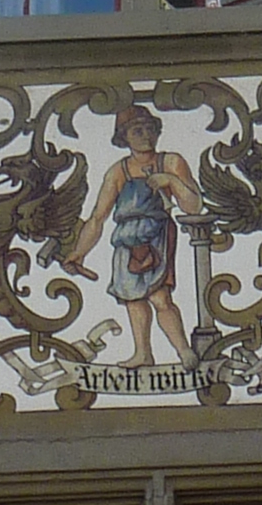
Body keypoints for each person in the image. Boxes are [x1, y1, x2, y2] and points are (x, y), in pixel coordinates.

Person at [68, 105, 203, 368]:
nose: (145, 135)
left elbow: (194, 205)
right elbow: (97, 218)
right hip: (126, 241)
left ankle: (184, 351)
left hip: (156, 236)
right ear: (124, 136)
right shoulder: (118, 171)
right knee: (133, 298)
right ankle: (143, 353)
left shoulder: (170, 162)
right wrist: (79, 252)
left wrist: (171, 181)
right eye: (137, 131)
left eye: (150, 129)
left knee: (160, 297)